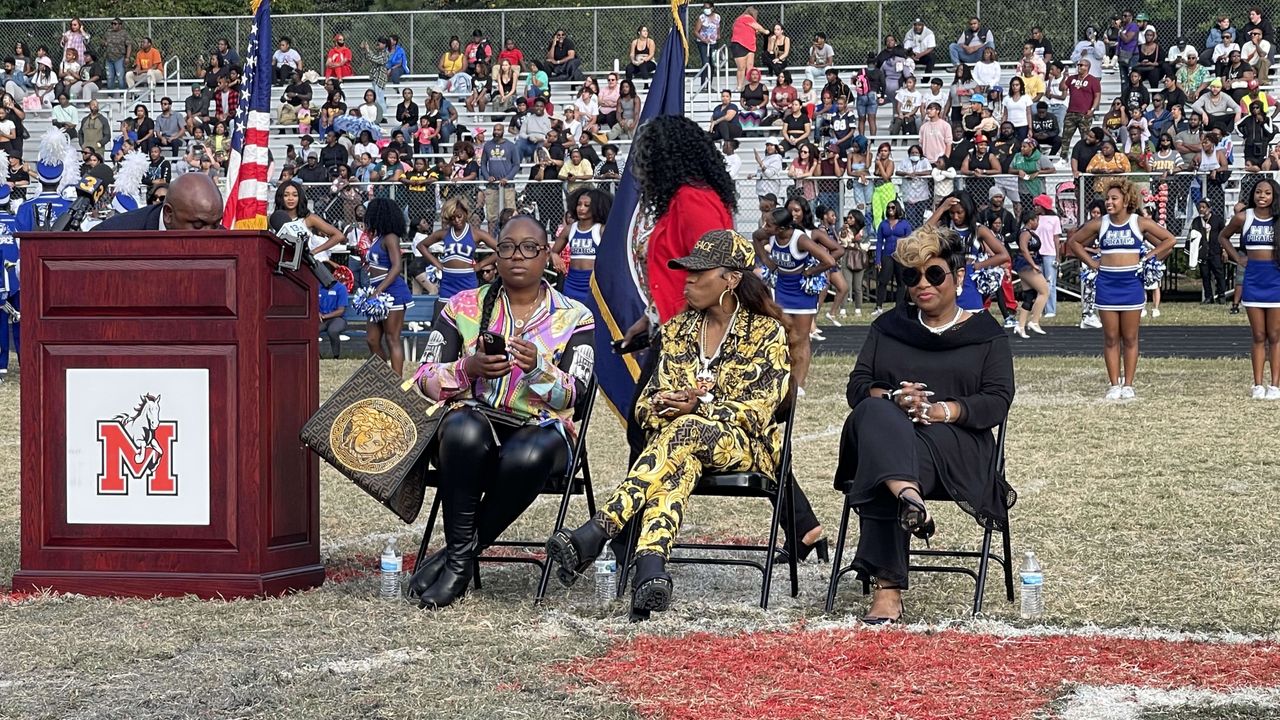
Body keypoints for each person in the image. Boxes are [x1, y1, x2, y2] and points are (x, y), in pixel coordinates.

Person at [548, 229, 790, 619]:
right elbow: (644, 403)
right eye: (687, 272)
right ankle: (650, 569)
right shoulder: (677, 331)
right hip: (677, 446)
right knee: (681, 457)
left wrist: (698, 405)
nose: (688, 280)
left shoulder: (767, 333)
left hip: (744, 447)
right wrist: (664, 406)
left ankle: (598, 531)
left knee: (686, 430)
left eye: (699, 273)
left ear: (730, 280)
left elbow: (759, 411)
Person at [408, 214, 596, 609]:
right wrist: (467, 368)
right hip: (477, 425)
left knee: (528, 451)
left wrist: (537, 369)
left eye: (529, 248)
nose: (517, 257)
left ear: (547, 255)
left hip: (543, 433)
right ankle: (460, 560)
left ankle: (454, 560)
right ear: (495, 254)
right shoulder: (463, 306)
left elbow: (574, 397)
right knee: (461, 429)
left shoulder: (575, 315)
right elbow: (423, 378)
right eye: (507, 247)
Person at [834, 224, 1014, 624]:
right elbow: (857, 387)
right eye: (911, 276)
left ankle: (888, 591)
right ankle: (907, 497)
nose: (922, 284)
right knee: (876, 413)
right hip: (892, 442)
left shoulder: (986, 334)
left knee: (881, 463)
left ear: (959, 276)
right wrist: (895, 399)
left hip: (955, 448)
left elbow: (996, 401)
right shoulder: (888, 327)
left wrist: (941, 411)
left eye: (934, 274)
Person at [1066, 179, 1176, 401]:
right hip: (1107, 284)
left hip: (1131, 285)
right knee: (1110, 337)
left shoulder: (1139, 222)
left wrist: (1147, 257)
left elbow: (1169, 240)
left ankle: (1128, 384)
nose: (1109, 202)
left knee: (1130, 337)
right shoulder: (1100, 223)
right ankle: (1114, 384)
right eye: (1107, 198)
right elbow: (1075, 242)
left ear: (1126, 200)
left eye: (1114, 198)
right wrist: (1092, 262)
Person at [1218, 178, 1280, 399]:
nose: (1262, 196)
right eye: (1258, 192)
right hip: (1253, 278)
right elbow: (1223, 236)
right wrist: (1237, 258)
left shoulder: (1278, 219)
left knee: (1275, 335)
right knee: (1258, 335)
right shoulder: (1244, 217)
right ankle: (1257, 384)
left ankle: (1274, 385)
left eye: (1267, 193)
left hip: (1276, 279)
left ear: (1274, 196)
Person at [926, 191, 1009, 314]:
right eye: (952, 212)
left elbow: (1003, 255)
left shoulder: (979, 229)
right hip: (946, 279)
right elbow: (924, 233)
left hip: (969, 281)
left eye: (959, 212)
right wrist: (942, 207)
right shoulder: (944, 228)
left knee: (970, 322)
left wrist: (978, 266)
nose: (955, 216)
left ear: (968, 210)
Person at [417, 196, 498, 303]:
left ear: (465, 213)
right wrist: (438, 264)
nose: (456, 220)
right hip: (448, 280)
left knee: (467, 315)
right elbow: (421, 246)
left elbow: (501, 250)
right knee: (444, 316)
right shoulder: (444, 233)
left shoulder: (476, 233)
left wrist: (481, 264)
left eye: (459, 216)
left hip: (467, 280)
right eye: (452, 218)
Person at [91, 172, 223, 231]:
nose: (210, 234)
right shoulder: (113, 236)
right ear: (168, 214)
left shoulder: (229, 242)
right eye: (198, 225)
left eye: (216, 225)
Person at [550, 187, 611, 305]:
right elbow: (553, 252)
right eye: (579, 204)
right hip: (572, 281)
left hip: (593, 282)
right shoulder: (569, 229)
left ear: (597, 207)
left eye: (587, 205)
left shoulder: (601, 229)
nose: (581, 208)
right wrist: (555, 256)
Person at [1012, 210, 1049, 338]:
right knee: (1044, 291)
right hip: (1025, 265)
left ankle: (1020, 325)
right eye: (1036, 220)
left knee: (1029, 295)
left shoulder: (1029, 233)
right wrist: (1033, 264)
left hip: (1027, 264)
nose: (1037, 223)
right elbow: (1023, 249)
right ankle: (1034, 321)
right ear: (1031, 221)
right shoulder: (1025, 233)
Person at [1191, 199, 1227, 304]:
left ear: (1209, 209)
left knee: (1219, 274)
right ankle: (1208, 296)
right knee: (1205, 275)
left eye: (1204, 207)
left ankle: (1221, 295)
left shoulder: (1218, 220)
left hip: (1215, 251)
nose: (1201, 209)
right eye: (1200, 207)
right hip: (1202, 252)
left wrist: (1224, 250)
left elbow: (1224, 236)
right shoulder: (1197, 221)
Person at [730, 7, 768, 91]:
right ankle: (739, 86)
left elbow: (751, 29)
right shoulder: (745, 17)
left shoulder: (743, 20)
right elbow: (757, 26)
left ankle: (751, 86)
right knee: (741, 67)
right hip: (739, 44)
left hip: (749, 45)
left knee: (750, 67)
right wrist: (766, 32)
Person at [317, 266, 349, 360]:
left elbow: (341, 310)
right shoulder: (318, 287)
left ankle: (336, 356)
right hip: (321, 318)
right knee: (310, 331)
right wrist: (317, 313)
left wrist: (325, 316)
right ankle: (317, 356)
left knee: (333, 330)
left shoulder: (341, 288)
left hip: (337, 318)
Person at [694, 2, 722, 89]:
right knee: (705, 63)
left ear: (712, 8)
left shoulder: (717, 17)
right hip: (703, 43)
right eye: (704, 8)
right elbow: (695, 31)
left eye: (707, 7)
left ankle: (709, 85)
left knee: (712, 64)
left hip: (713, 43)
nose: (706, 9)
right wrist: (703, 39)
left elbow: (717, 27)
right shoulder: (701, 18)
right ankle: (703, 85)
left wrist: (718, 35)